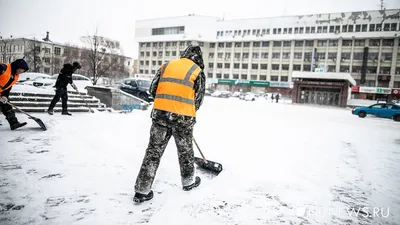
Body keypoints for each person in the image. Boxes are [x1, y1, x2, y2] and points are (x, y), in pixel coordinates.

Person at [133, 45, 206, 203]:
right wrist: (184, 108)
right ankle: (188, 182)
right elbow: (198, 100)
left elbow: (153, 89)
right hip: (183, 119)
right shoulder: (197, 71)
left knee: (153, 152)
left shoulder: (166, 66)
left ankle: (142, 190)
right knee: (185, 153)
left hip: (160, 116)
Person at [0, 59, 29, 130]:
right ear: (17, 66)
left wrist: (5, 96)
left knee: (7, 106)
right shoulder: (3, 68)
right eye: (21, 69)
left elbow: (8, 87)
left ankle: (14, 123)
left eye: (23, 71)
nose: (22, 72)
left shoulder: (15, 76)